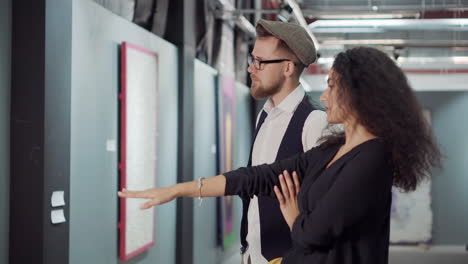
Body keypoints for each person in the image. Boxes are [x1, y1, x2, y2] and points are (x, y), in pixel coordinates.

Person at [118, 46, 441, 264]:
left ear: (358, 93)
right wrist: (179, 190)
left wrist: (294, 213)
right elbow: (258, 176)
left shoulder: (372, 158)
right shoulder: (331, 149)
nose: (325, 95)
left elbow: (314, 234)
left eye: (332, 86)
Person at [236, 19, 328, 263]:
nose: (251, 69)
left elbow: (323, 208)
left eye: (260, 62)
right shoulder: (263, 116)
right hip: (253, 256)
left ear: (288, 68)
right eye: (251, 59)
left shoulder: (314, 121)